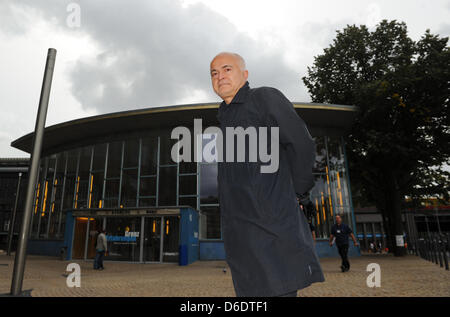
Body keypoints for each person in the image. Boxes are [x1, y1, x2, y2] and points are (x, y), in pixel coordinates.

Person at [210, 52, 324, 297]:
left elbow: (301, 144)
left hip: (271, 235)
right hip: (241, 239)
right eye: (214, 73)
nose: (220, 76)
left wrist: (297, 194)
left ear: (245, 74)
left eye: (227, 69)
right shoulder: (225, 120)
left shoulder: (263, 98)